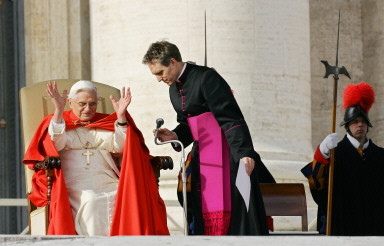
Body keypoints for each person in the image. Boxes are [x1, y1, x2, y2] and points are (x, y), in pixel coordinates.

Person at [142, 41, 275, 235]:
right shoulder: (173, 89)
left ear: (172, 62)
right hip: (202, 156)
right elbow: (188, 123)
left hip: (227, 154)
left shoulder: (206, 77)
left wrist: (245, 153)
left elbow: (230, 118)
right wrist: (175, 135)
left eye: (160, 73)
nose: (159, 79)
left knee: (236, 210)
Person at [23, 80, 169, 236]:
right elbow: (55, 145)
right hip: (75, 180)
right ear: (70, 103)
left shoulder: (105, 121)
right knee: (92, 200)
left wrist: (121, 118)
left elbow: (121, 148)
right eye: (82, 104)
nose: (88, 109)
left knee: (126, 196)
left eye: (92, 104)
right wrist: (58, 111)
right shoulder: (59, 122)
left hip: (105, 176)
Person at [301, 82, 384, 235]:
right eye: (354, 122)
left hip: (376, 227)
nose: (359, 125)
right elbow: (317, 186)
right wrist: (322, 153)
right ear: (347, 126)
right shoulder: (334, 155)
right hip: (343, 226)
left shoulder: (380, 156)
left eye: (363, 121)